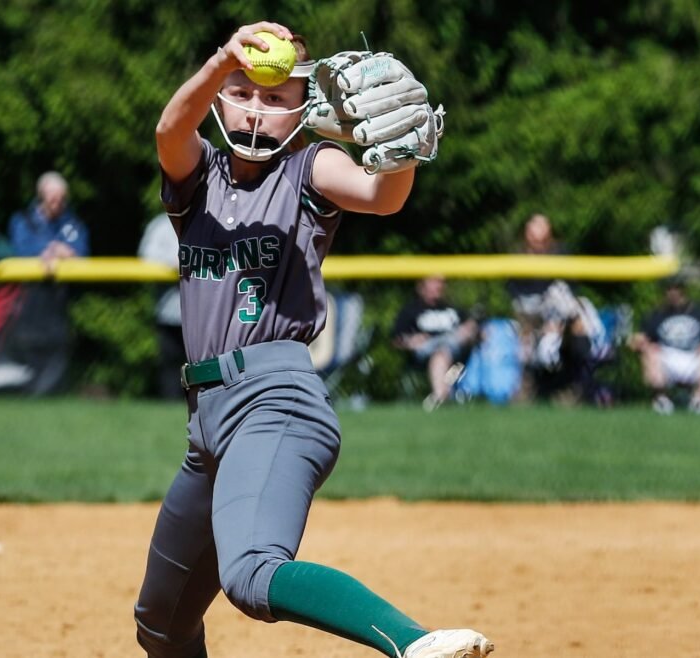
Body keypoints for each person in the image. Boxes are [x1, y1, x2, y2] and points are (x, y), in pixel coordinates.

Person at [134, 22, 492, 658]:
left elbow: (381, 197)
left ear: (303, 107)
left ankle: (414, 643)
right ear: (218, 96)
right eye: (243, 91)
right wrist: (225, 59)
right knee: (160, 624)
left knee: (250, 572)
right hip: (206, 424)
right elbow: (170, 130)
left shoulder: (307, 167)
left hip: (276, 400)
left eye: (276, 97)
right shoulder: (199, 178)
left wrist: (399, 157)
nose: (256, 107)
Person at [505, 213, 599, 403]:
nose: (538, 243)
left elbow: (570, 293)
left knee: (579, 332)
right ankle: (527, 389)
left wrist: (558, 322)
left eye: (543, 239)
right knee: (525, 341)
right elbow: (515, 298)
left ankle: (573, 389)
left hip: (560, 320)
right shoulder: (518, 258)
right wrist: (534, 323)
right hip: (529, 317)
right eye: (534, 238)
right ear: (527, 237)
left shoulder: (561, 255)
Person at [630, 278, 700, 414]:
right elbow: (639, 340)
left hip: (694, 356)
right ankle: (661, 399)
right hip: (666, 357)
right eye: (669, 289)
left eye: (677, 289)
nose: (673, 293)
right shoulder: (655, 315)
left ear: (684, 291)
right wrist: (640, 343)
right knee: (651, 352)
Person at [392, 275, 479, 411]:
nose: (439, 286)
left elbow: (473, 330)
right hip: (425, 353)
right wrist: (411, 341)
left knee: (445, 350)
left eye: (441, 282)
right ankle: (442, 396)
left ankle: (439, 397)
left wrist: (469, 331)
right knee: (440, 354)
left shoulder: (452, 308)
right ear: (422, 286)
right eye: (434, 282)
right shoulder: (411, 310)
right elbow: (396, 339)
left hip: (457, 361)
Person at [137, 212, 184, 399]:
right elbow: (146, 256)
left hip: (202, 314)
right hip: (168, 309)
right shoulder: (160, 225)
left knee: (201, 364)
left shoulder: (206, 219)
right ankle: (170, 402)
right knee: (170, 362)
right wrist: (171, 263)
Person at [8, 171, 90, 268]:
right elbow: (20, 251)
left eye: (62, 198)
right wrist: (48, 251)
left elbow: (82, 252)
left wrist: (68, 253)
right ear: (41, 197)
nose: (58, 203)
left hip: (64, 281)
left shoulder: (74, 224)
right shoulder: (22, 220)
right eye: (53, 199)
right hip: (31, 280)